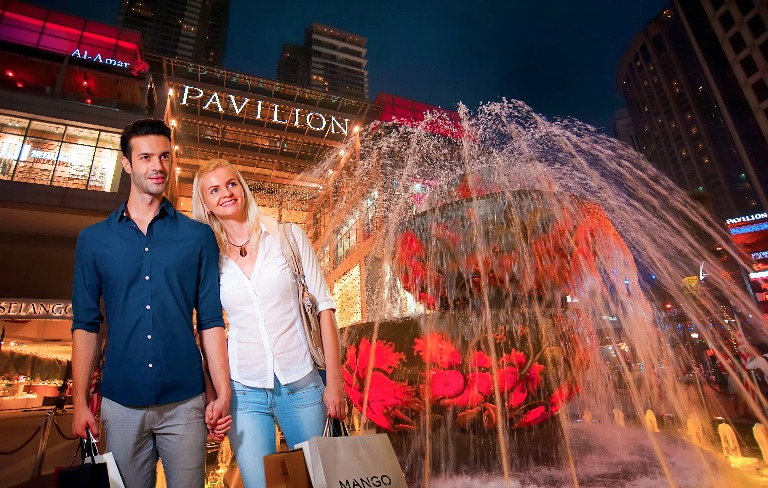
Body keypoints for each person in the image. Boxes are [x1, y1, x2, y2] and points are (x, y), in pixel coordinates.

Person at [71, 119, 232, 488]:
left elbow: (210, 321)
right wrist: (80, 401)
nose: (157, 166)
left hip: (185, 402)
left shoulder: (198, 237)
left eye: (164, 156)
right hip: (120, 403)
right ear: (127, 164)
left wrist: (221, 392)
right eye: (145, 157)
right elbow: (85, 324)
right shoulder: (93, 240)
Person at [192, 159, 346, 488]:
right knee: (259, 484)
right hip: (242, 390)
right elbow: (209, 329)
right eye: (214, 190)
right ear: (205, 203)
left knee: (321, 481)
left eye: (231, 184)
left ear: (243, 187)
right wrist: (215, 394)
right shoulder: (209, 260)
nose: (226, 193)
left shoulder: (287, 237)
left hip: (302, 384)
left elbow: (325, 308)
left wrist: (334, 382)